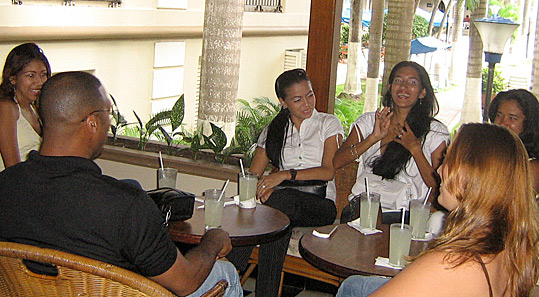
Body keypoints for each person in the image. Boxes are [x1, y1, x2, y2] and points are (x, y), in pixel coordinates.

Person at [0, 71, 242, 297]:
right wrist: (212, 241)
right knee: (227, 273)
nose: (109, 124)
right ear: (92, 122)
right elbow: (186, 282)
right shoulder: (126, 205)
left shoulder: (6, 184)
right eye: (108, 114)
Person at [336, 123, 539, 297]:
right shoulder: (512, 247)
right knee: (356, 285)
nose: (439, 170)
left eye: (449, 160)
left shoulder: (451, 262)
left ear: (473, 176)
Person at [227, 68, 344, 296]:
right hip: (282, 205)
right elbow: (253, 176)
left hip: (319, 204)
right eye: (298, 99)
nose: (307, 104)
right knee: (277, 219)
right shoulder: (275, 130)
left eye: (310, 95)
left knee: (278, 204)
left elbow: (328, 171)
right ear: (283, 102)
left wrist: (283, 175)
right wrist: (257, 191)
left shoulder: (328, 124)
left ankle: (230, 269)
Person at [334, 61, 450, 221]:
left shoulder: (435, 132)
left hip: (406, 215)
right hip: (364, 208)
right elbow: (337, 162)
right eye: (398, 81)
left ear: (422, 92)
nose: (403, 87)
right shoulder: (369, 122)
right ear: (389, 87)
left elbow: (438, 187)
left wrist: (415, 149)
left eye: (412, 82)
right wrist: (373, 138)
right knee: (368, 212)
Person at [0, 43, 51, 171]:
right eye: (30, 75)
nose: (39, 82)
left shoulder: (36, 108)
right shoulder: (7, 108)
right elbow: (13, 168)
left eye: (43, 74)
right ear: (13, 78)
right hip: (14, 185)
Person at [488, 88, 539, 194]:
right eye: (499, 115)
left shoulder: (531, 167)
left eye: (512, 118)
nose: (502, 123)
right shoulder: (494, 151)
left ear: (528, 123)